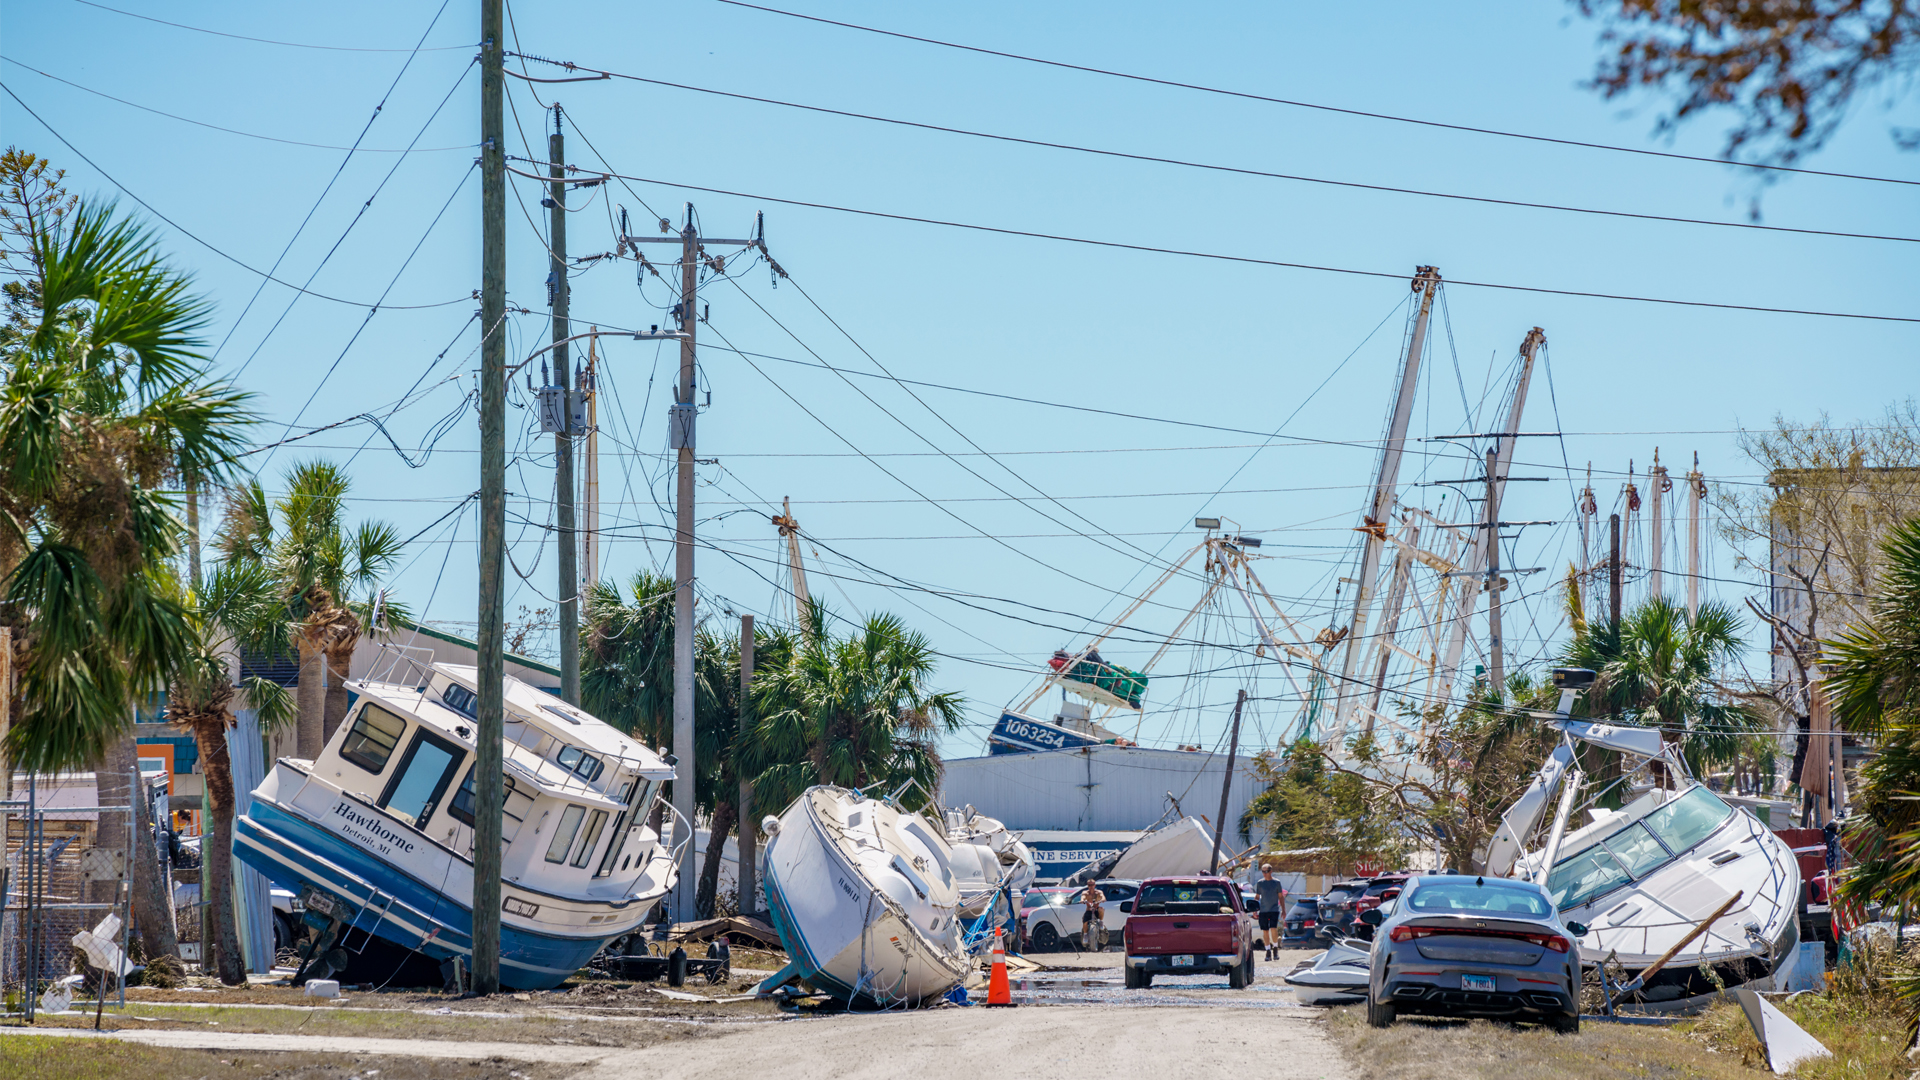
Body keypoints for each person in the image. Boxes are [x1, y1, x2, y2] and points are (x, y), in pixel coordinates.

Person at [1254, 863, 1287, 961]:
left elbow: (1281, 897)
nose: (1264, 873)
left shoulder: (1276, 883)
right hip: (1263, 910)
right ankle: (1268, 951)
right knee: (1265, 931)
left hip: (1274, 910)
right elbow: (1257, 897)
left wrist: (1284, 910)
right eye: (1263, 871)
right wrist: (1254, 909)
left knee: (1273, 928)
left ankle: (1275, 948)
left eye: (1266, 871)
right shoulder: (1260, 883)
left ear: (1271, 871)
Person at [1080, 880, 1107, 950]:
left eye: (1092, 885)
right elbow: (1082, 897)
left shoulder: (1099, 892)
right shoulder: (1085, 893)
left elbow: (1103, 897)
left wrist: (1102, 900)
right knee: (1085, 922)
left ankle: (1101, 922)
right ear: (1087, 886)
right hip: (1089, 910)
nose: (1091, 887)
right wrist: (1082, 900)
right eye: (1089, 885)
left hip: (1096, 910)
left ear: (1095, 885)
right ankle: (1085, 935)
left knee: (1101, 909)